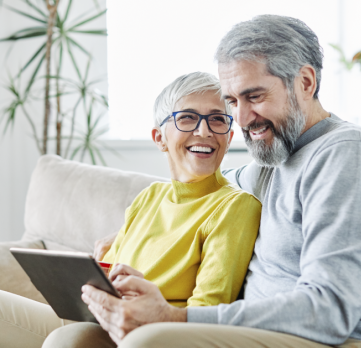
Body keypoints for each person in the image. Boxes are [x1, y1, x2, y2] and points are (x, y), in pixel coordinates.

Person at [42, 14, 361, 348]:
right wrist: (131, 230)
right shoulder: (275, 156)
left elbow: (331, 310)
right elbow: (197, 189)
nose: (240, 119)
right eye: (233, 101)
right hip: (249, 331)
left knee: (148, 340)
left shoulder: (342, 153)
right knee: (73, 338)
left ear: (306, 83)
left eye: (254, 97)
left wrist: (174, 318)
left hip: (315, 338)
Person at [0, 72, 262, 348]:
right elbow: (112, 275)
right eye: (187, 117)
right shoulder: (150, 196)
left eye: (217, 119)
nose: (204, 131)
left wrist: (150, 305)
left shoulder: (235, 206)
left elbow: (207, 310)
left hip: (152, 334)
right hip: (100, 318)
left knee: (67, 339)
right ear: (159, 138)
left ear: (229, 137)